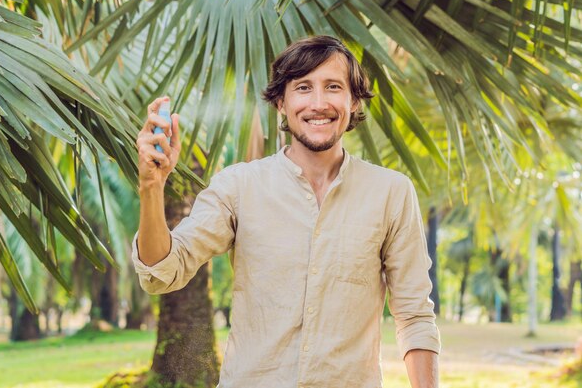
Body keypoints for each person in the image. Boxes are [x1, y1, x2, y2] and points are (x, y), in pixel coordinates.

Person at [133, 35, 440, 388]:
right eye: (304, 87)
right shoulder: (239, 186)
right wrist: (151, 187)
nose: (319, 103)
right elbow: (161, 271)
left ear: (354, 101)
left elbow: (415, 317)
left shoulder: (391, 192)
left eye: (334, 87)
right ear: (281, 101)